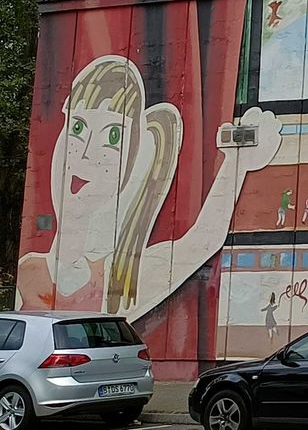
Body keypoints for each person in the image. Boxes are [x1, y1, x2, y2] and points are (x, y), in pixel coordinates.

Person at [18, 56, 282, 319]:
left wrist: (236, 163)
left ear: (130, 166)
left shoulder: (118, 281)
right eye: (77, 127)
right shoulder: (27, 270)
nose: (86, 154)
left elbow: (202, 242)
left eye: (112, 136)